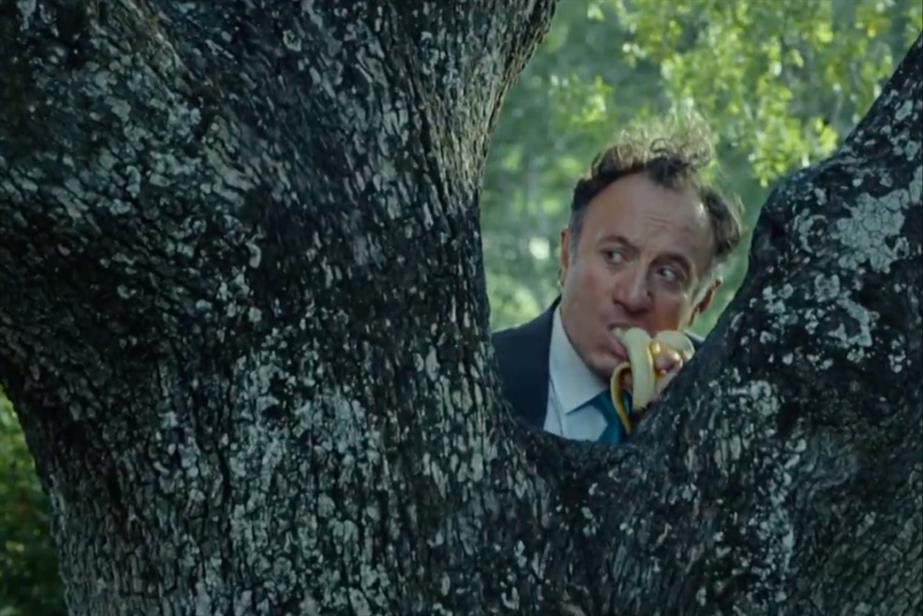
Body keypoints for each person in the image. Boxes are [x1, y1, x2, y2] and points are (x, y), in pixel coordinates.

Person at [493, 123, 744, 444]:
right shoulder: (481, 374)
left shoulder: (722, 403)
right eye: (614, 255)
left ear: (701, 303)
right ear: (567, 256)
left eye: (667, 274)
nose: (633, 296)